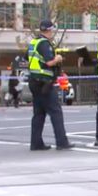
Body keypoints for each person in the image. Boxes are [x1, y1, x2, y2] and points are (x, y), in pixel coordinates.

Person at [26, 20, 75, 151]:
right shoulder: (44, 44)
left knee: (39, 113)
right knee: (56, 112)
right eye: (52, 30)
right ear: (48, 30)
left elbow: (28, 59)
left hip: (34, 81)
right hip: (44, 82)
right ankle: (62, 142)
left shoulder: (34, 42)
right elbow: (49, 62)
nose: (53, 32)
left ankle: (36, 143)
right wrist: (57, 59)